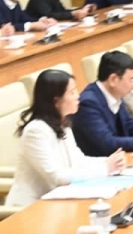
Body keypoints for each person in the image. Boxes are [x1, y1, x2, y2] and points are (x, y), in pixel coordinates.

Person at [4, 70, 124, 208]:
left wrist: (109, 161)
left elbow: (78, 160)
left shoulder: (62, 123)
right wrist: (105, 168)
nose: (78, 96)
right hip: (31, 208)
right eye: (72, 92)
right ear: (56, 101)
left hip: (59, 201)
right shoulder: (35, 131)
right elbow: (57, 177)